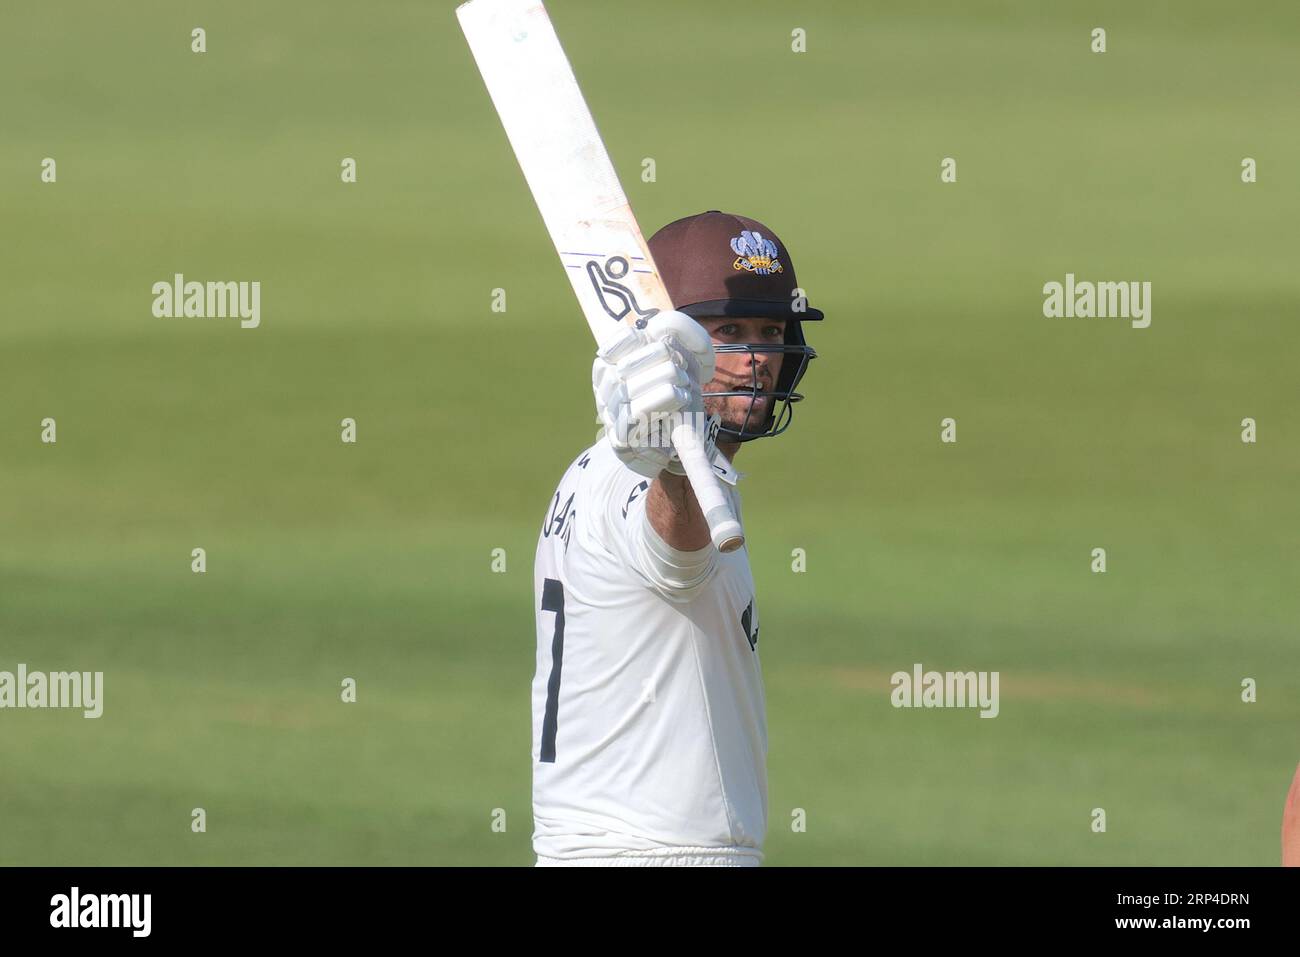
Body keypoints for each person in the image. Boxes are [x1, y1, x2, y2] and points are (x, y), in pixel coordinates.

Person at [531, 211, 822, 866]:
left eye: (770, 332)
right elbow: (674, 550)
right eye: (728, 331)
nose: (756, 361)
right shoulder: (635, 479)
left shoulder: (590, 472)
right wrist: (672, 465)